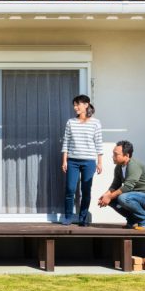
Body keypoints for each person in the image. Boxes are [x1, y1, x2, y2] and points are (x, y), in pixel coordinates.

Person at [60, 94, 104, 226]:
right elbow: (66, 142)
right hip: (72, 161)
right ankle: (68, 217)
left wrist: (100, 162)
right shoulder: (70, 122)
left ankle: (83, 218)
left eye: (77, 104)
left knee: (86, 190)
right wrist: (64, 160)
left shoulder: (96, 123)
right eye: (74, 105)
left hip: (89, 162)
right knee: (70, 189)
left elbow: (99, 143)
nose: (75, 107)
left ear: (86, 104)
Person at [97, 140, 145, 229]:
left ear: (126, 155)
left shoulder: (133, 165)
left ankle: (144, 220)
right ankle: (132, 220)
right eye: (113, 154)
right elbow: (115, 185)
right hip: (135, 196)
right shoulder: (119, 167)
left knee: (123, 198)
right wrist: (106, 196)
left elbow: (128, 186)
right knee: (112, 199)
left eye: (116, 154)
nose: (113, 157)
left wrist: (110, 196)